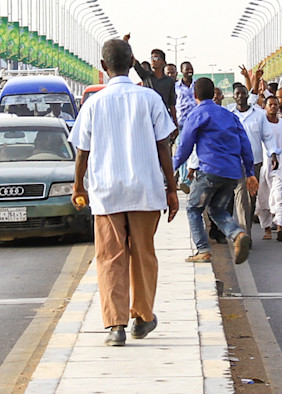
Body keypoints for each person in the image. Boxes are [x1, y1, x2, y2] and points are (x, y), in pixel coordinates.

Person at [71, 38, 179, 347]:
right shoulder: (148, 99)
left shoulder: (93, 103)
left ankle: (115, 325)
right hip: (145, 189)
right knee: (143, 254)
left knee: (110, 257)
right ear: (132, 61)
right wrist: (171, 189)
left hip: (106, 192)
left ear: (103, 67)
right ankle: (142, 317)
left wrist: (79, 186)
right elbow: (163, 146)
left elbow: (82, 151)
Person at [173, 78, 257, 265]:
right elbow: (245, 144)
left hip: (209, 170)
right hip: (232, 173)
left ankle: (203, 250)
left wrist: (172, 167)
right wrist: (250, 172)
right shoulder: (230, 115)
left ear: (194, 95)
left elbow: (184, 146)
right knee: (217, 208)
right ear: (214, 94)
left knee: (194, 208)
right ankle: (237, 234)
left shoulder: (196, 114)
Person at [229, 83, 267, 233]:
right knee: (242, 197)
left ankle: (247, 226)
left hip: (255, 162)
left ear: (247, 95)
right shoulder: (230, 114)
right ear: (233, 96)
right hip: (236, 162)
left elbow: (267, 136)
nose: (240, 96)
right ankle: (246, 234)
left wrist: (273, 153)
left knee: (251, 197)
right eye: (237, 94)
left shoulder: (259, 115)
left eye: (243, 93)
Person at [255, 98, 282, 241]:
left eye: (275, 105)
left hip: (281, 166)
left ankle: (280, 226)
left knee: (279, 195)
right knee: (263, 198)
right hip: (263, 165)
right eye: (270, 105)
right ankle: (267, 229)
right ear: (265, 107)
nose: (273, 107)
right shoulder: (260, 125)